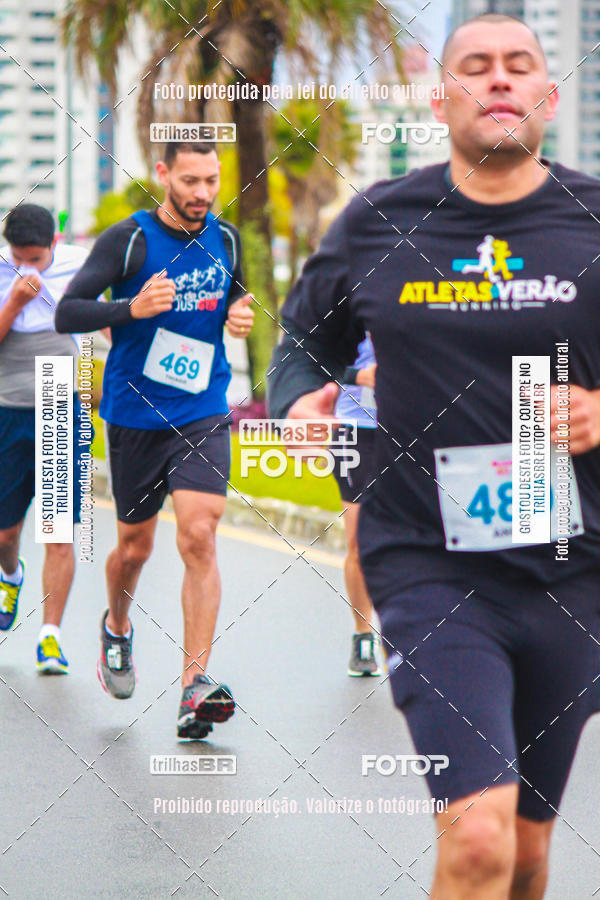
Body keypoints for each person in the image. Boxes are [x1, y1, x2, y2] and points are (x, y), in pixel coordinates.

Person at [267, 14, 600, 897]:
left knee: (528, 854)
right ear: (440, 93)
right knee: (480, 838)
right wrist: (302, 393)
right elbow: (304, 335)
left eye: (518, 66)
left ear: (547, 95)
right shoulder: (382, 221)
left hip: (574, 569)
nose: (499, 80)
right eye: (477, 66)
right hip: (428, 564)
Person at [55, 140, 254, 741]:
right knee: (135, 550)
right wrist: (132, 308)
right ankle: (117, 626)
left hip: (202, 409)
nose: (201, 194)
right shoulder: (130, 239)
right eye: (190, 180)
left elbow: (234, 295)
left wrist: (239, 312)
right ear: (163, 174)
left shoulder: (227, 239)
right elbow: (69, 313)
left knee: (199, 534)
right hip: (135, 414)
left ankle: (195, 686)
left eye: (211, 181)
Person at [0, 203, 91, 673]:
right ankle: (10, 575)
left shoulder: (80, 264)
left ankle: (50, 636)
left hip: (60, 399)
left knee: (57, 531)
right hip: (6, 407)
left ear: (53, 245)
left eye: (35, 258)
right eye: (19, 256)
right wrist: (14, 301)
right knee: (5, 532)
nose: (27, 266)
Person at [331, 333, 382, 676]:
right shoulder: (343, 297)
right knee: (359, 542)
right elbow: (309, 359)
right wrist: (359, 376)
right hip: (356, 431)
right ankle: (363, 636)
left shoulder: (423, 288)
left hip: (412, 427)